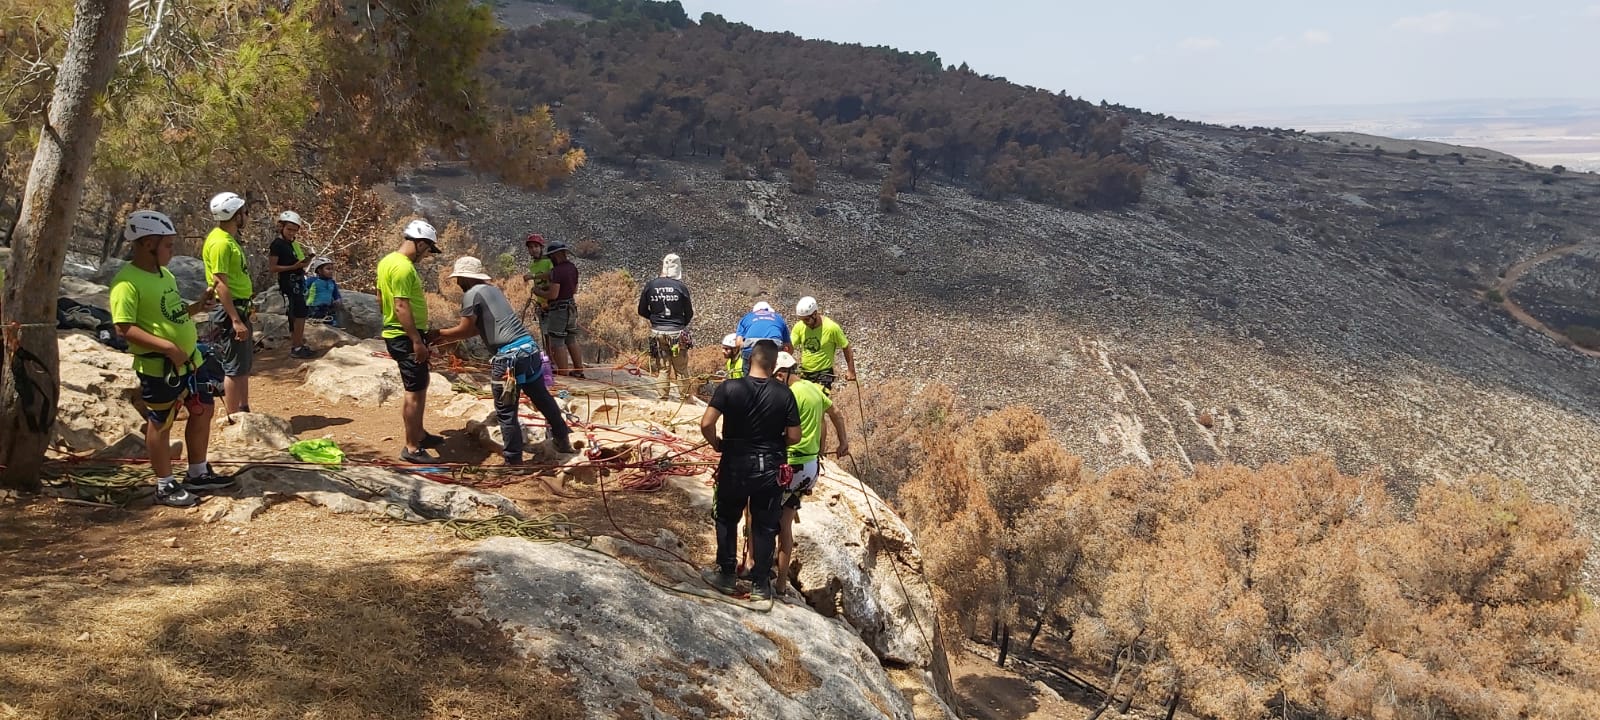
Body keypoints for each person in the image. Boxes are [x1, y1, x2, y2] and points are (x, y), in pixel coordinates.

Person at [109, 211, 235, 507]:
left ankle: (198, 472)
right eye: (167, 245)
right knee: (161, 422)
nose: (172, 251)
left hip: (190, 360)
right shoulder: (126, 283)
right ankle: (165, 485)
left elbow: (171, 312)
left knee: (203, 408)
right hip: (160, 367)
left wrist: (197, 307)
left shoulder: (164, 275)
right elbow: (123, 328)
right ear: (148, 244)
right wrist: (167, 348)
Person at [434, 256, 576, 463]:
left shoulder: (471, 294)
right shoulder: (493, 290)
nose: (457, 283)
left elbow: (465, 328)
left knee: (506, 412)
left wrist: (437, 333)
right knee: (542, 398)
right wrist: (444, 336)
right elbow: (474, 330)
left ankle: (513, 460)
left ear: (465, 278)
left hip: (508, 358)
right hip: (529, 350)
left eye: (459, 279)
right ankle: (563, 440)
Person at [699, 340, 800, 601]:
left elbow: (706, 423)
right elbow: (795, 436)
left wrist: (717, 444)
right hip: (770, 467)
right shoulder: (784, 394)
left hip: (735, 463)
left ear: (750, 359)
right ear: (774, 363)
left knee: (727, 517)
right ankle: (760, 585)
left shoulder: (730, 388)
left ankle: (727, 575)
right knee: (765, 526)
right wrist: (777, 444)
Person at [771, 351, 849, 594]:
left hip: (787, 463)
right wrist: (841, 443)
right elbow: (834, 414)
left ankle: (757, 568)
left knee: (762, 516)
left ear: (782, 374)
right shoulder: (815, 389)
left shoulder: (785, 394)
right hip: (809, 467)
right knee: (785, 522)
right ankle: (782, 583)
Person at [378, 219, 445, 463]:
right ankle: (412, 447)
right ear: (420, 243)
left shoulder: (387, 262)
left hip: (398, 332)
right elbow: (401, 305)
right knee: (413, 391)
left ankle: (419, 433)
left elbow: (379, 297)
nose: (427, 254)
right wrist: (416, 340)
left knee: (420, 384)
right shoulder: (404, 268)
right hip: (405, 336)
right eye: (428, 249)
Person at [203, 191, 255, 414]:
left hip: (240, 307)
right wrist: (235, 319)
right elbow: (220, 283)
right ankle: (233, 417)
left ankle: (243, 408)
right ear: (236, 215)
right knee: (234, 367)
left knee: (243, 363)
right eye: (245, 212)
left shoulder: (228, 240)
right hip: (230, 312)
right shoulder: (220, 244)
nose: (247, 216)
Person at [637, 253, 694, 400]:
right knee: (681, 369)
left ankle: (663, 399)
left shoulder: (651, 286)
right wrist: (680, 324)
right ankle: (685, 400)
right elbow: (689, 312)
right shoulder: (681, 287)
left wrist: (655, 319)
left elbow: (641, 310)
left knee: (663, 368)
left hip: (657, 333)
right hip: (676, 333)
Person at [267, 210, 315, 358]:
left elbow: (298, 261)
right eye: (289, 229)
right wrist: (292, 268)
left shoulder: (293, 244)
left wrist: (304, 263)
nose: (291, 233)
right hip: (288, 282)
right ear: (281, 227)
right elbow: (273, 268)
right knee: (298, 314)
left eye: (294, 231)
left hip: (298, 280)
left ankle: (298, 343)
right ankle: (296, 346)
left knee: (299, 313)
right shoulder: (277, 244)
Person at [535, 240, 585, 378]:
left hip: (559, 309)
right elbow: (574, 289)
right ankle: (579, 370)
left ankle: (563, 373)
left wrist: (538, 292)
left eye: (551, 257)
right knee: (571, 339)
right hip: (571, 307)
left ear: (555, 255)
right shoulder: (572, 268)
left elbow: (553, 294)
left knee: (557, 341)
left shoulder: (557, 271)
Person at [790, 296, 857, 393]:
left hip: (824, 374)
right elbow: (791, 346)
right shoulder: (800, 326)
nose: (804, 323)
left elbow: (846, 346)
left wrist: (851, 371)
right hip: (805, 372)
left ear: (815, 314)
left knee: (818, 399)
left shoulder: (831, 328)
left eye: (807, 320)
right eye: (802, 320)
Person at [733, 301, 788, 375]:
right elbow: (788, 346)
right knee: (774, 380)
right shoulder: (778, 318)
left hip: (751, 348)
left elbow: (738, 343)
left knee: (748, 381)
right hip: (773, 347)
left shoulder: (747, 317)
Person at [305, 257, 343, 327]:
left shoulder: (332, 282)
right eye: (328, 269)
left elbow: (336, 295)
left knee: (333, 325)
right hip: (313, 309)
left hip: (327, 309)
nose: (331, 271)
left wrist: (338, 300)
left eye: (332, 269)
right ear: (319, 270)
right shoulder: (312, 280)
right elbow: (302, 289)